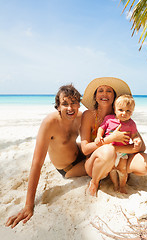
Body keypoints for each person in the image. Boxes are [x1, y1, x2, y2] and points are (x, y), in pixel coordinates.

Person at [6, 84, 87, 228]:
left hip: (80, 151)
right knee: (98, 165)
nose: (70, 108)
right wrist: (29, 205)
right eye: (65, 104)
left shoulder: (80, 116)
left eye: (74, 102)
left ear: (79, 103)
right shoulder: (50, 123)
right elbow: (36, 163)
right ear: (58, 107)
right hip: (68, 168)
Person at [81, 77, 147, 196]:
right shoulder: (88, 115)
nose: (104, 94)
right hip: (97, 165)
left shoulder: (123, 115)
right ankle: (95, 182)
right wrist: (110, 140)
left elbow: (141, 148)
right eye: (100, 90)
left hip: (119, 159)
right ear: (95, 95)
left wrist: (122, 147)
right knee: (108, 150)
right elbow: (85, 149)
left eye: (109, 91)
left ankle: (120, 180)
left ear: (114, 96)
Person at [95, 94, 142, 193]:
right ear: (115, 109)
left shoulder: (131, 124)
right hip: (109, 151)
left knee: (122, 170)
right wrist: (99, 136)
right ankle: (115, 184)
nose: (124, 113)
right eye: (121, 110)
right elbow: (101, 128)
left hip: (122, 152)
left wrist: (136, 140)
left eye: (128, 111)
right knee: (112, 169)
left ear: (132, 112)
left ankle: (122, 186)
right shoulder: (109, 119)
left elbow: (134, 135)